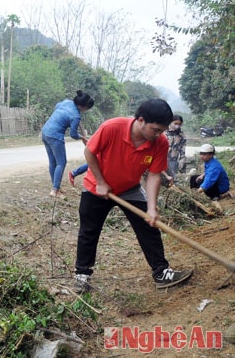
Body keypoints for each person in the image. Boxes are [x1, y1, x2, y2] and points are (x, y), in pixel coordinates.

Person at [73, 99, 193, 293]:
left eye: (161, 130)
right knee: (89, 231)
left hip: (130, 188)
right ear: (140, 120)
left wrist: (152, 208)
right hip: (97, 187)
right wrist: (101, 182)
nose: (158, 135)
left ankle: (161, 273)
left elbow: (154, 174)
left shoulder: (159, 142)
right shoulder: (112, 127)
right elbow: (89, 152)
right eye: (155, 129)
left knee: (148, 227)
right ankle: (82, 275)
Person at [42, 90, 94, 198]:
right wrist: (83, 137)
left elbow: (57, 107)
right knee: (61, 163)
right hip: (55, 136)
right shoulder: (76, 116)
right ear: (83, 106)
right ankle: (55, 190)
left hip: (45, 132)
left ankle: (55, 187)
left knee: (53, 162)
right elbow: (73, 134)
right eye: (88, 108)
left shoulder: (67, 102)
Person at [161, 114, 186, 186]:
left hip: (173, 159)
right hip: (162, 158)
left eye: (179, 124)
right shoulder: (164, 132)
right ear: (171, 122)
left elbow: (182, 148)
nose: (177, 125)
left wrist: (182, 159)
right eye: (175, 123)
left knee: (172, 178)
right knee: (161, 177)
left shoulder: (181, 135)